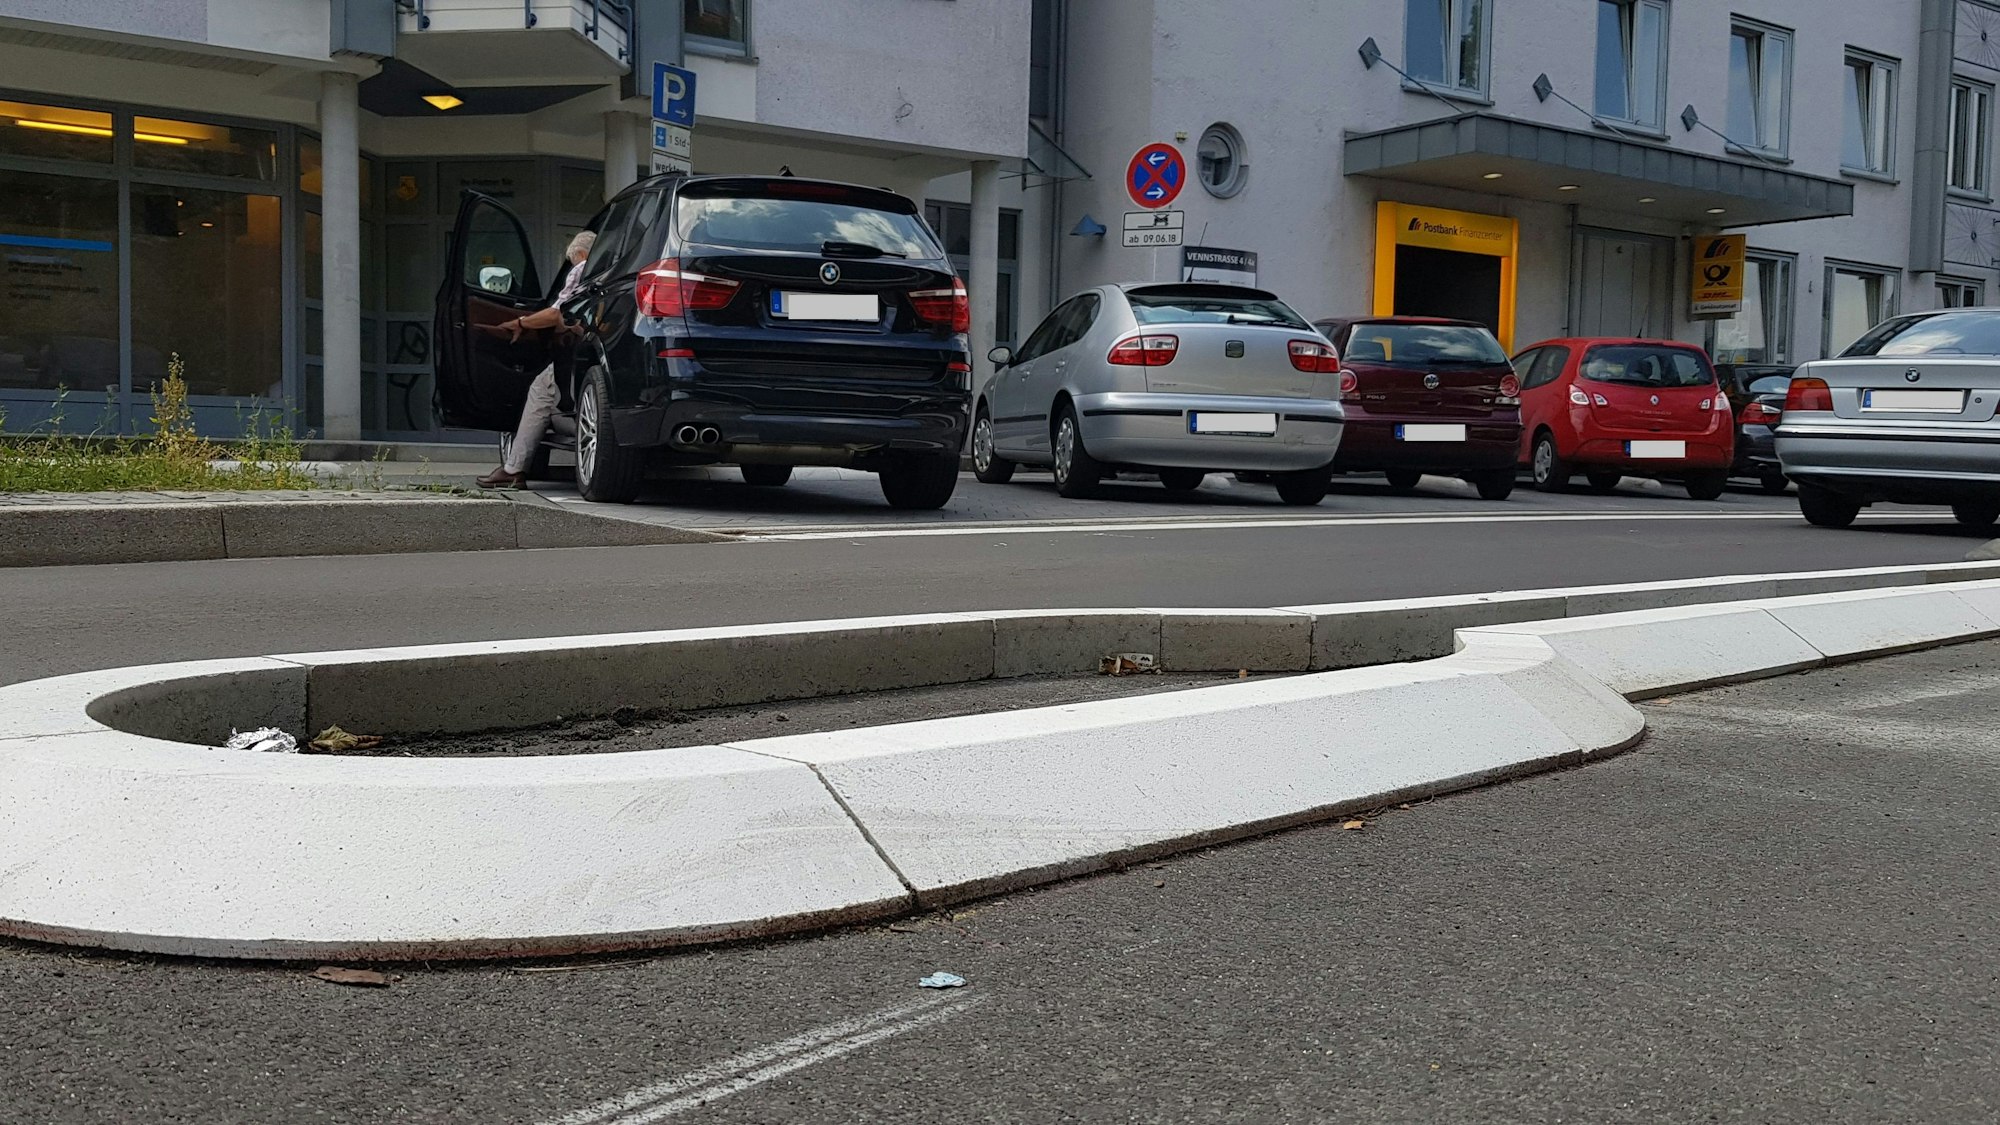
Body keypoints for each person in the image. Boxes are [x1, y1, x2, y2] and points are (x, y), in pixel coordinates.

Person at [476, 230, 596, 488]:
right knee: (549, 392)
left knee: (541, 389)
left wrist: (521, 322)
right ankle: (515, 467)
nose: (574, 267)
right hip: (598, 350)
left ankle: (514, 469)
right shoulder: (611, 269)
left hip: (577, 352)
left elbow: (558, 313)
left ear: (582, 254)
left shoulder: (584, 267)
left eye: (573, 261)